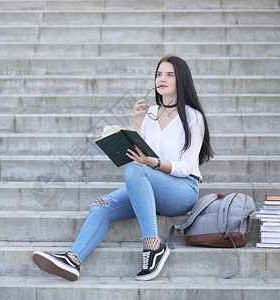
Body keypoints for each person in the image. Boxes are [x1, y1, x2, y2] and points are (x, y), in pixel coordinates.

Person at [32, 55, 214, 281]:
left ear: (182, 80)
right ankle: (73, 259)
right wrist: (136, 124)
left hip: (182, 190)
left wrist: (153, 164)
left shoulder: (193, 117)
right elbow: (141, 154)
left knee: (135, 170)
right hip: (151, 183)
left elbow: (186, 166)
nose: (162, 79)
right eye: (159, 74)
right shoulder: (149, 114)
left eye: (170, 74)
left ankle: (153, 247)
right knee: (101, 205)